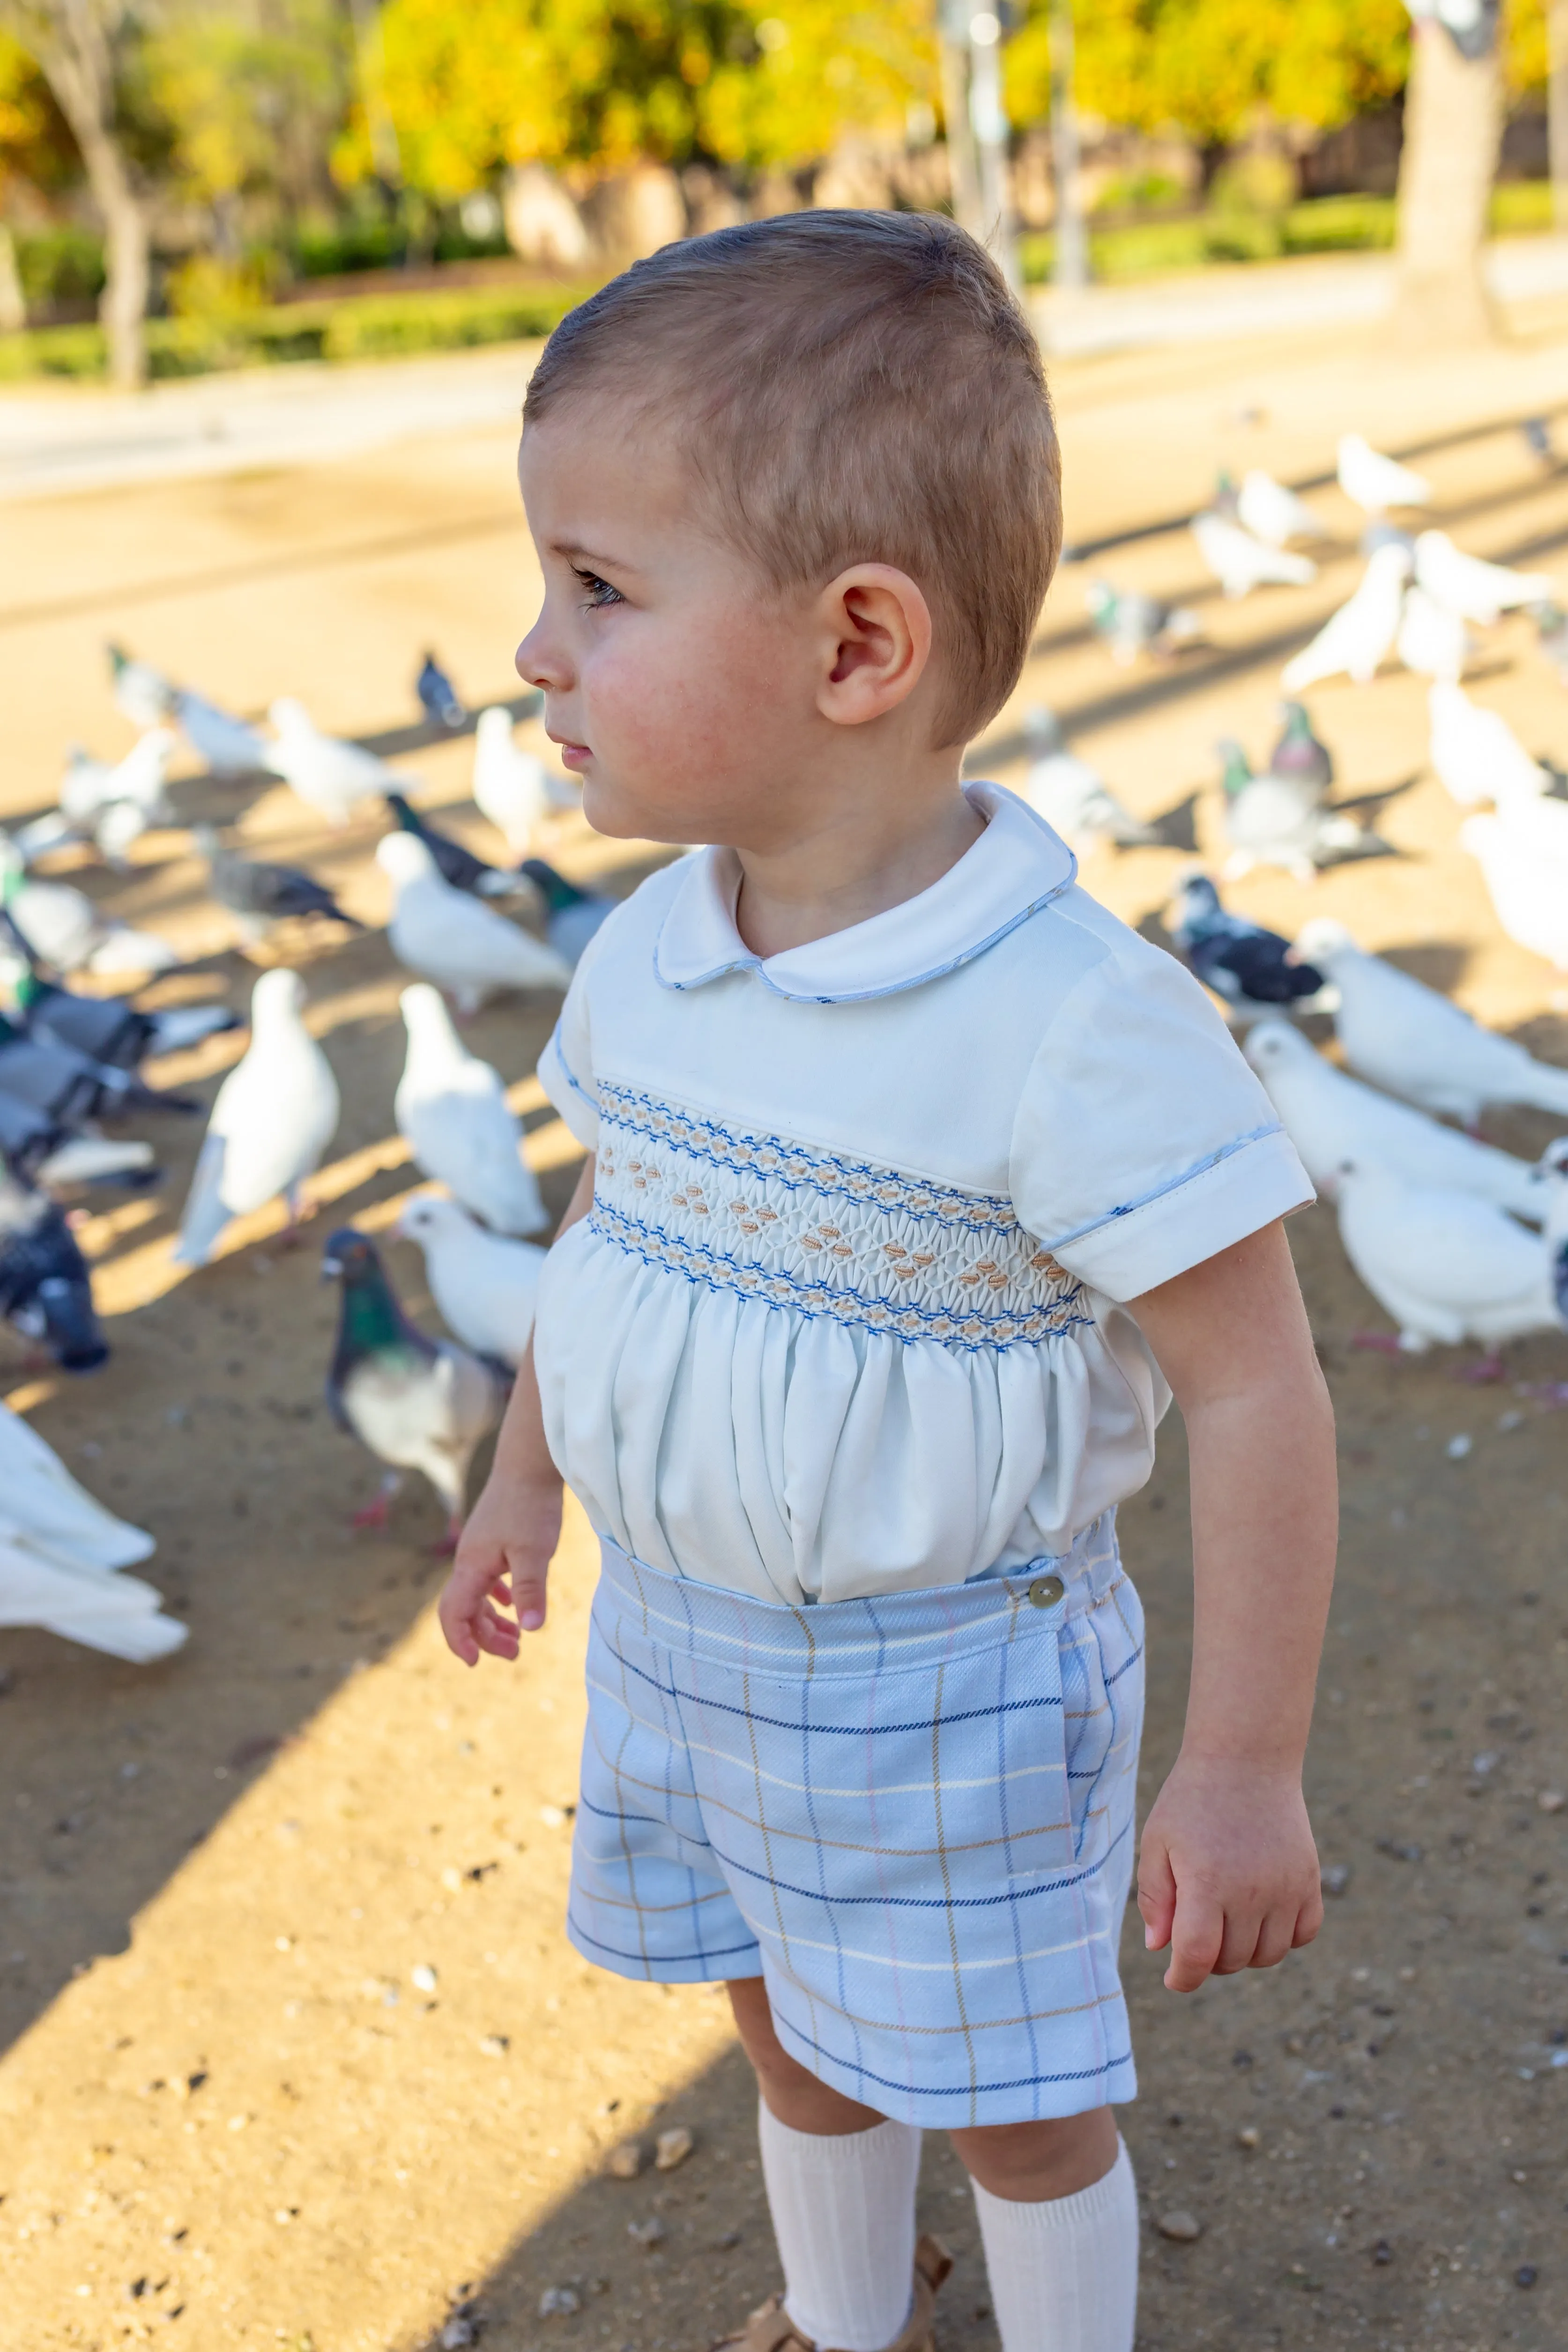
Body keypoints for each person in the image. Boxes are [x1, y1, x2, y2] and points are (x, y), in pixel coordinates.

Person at [438, 211, 1336, 2352]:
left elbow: (1254, 1385)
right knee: (783, 2024)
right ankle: (845, 2318)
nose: (529, 652)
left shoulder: (1068, 1023)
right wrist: (521, 1486)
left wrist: (1238, 1768)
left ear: (857, 646)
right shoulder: (649, 948)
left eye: (596, 588)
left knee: (1013, 2096)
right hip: (679, 1650)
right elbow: (606, 1235)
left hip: (949, 1693)